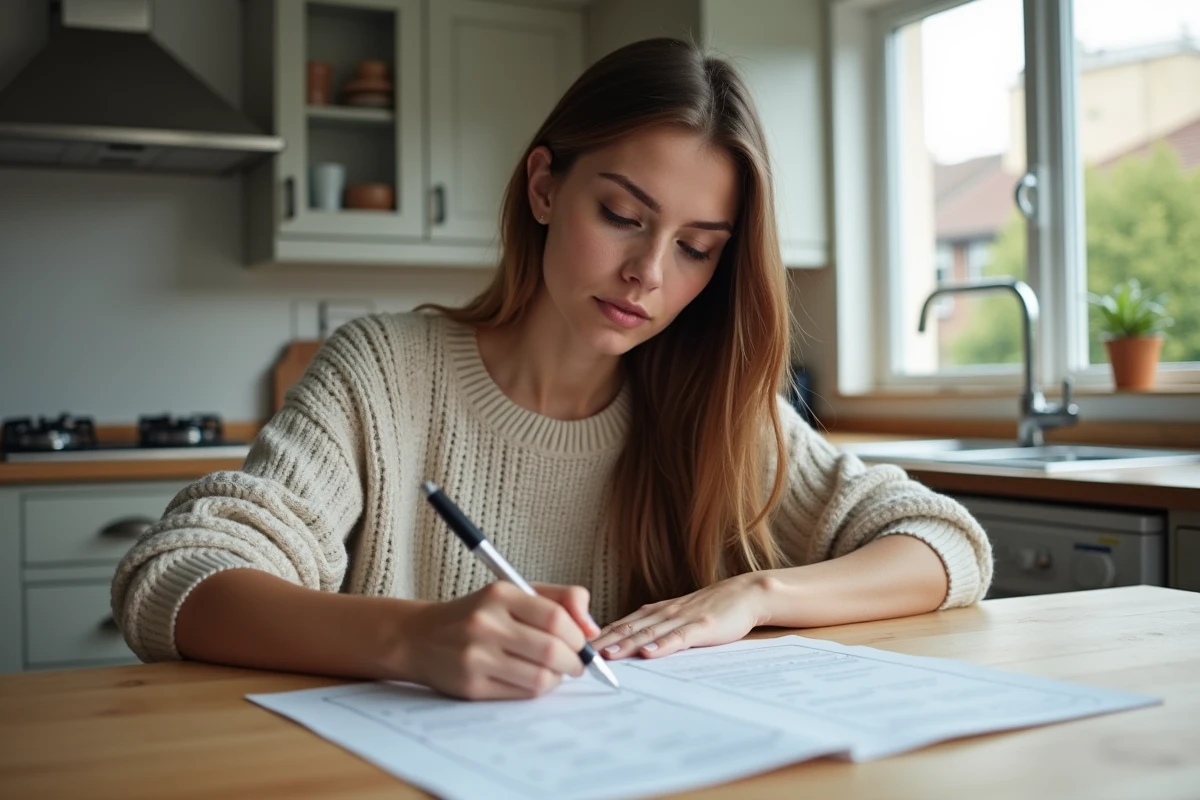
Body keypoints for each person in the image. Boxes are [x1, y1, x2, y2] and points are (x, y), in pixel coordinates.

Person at [111, 38, 992, 701]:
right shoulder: (382, 375)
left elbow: (946, 544)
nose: (649, 273)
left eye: (695, 248)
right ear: (543, 188)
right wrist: (411, 638)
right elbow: (174, 579)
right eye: (621, 215)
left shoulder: (717, 406)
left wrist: (756, 595)